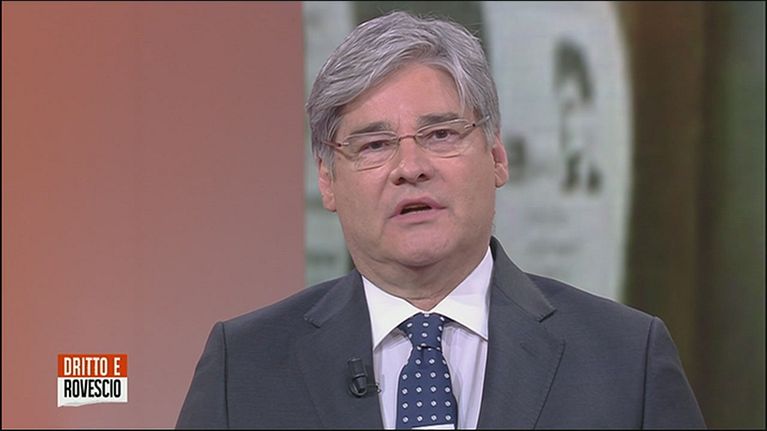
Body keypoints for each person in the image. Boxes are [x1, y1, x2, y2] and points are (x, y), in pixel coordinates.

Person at [177, 11, 705, 429]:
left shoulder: (626, 359)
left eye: (441, 135)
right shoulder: (242, 367)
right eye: (374, 145)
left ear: (496, 156)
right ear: (328, 181)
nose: (410, 167)